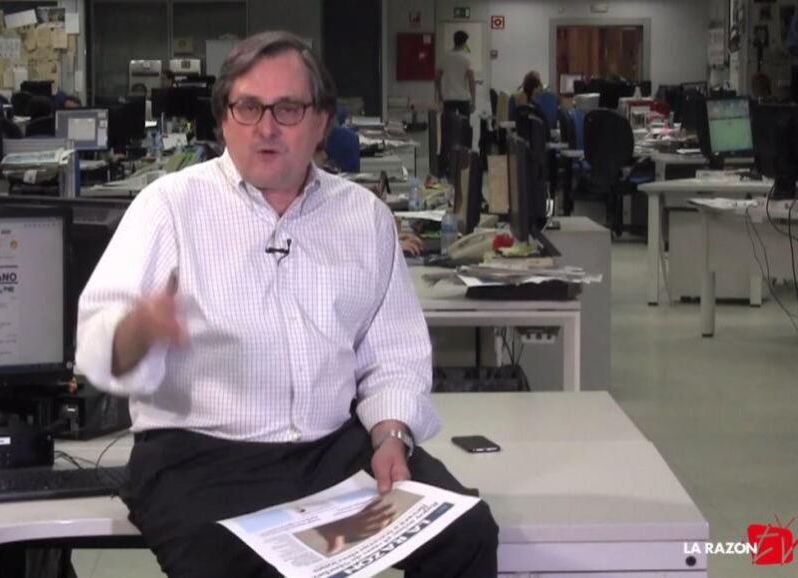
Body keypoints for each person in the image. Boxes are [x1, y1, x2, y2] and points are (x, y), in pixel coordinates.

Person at [77, 30, 498, 578]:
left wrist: (391, 434)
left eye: (288, 109)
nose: (266, 127)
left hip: (332, 450)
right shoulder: (169, 207)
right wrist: (136, 332)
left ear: (322, 122)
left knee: (467, 534)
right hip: (199, 458)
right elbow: (94, 344)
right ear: (224, 118)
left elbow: (393, 353)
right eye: (248, 107)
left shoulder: (364, 217)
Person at [436, 31, 476, 178]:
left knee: (446, 134)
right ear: (465, 43)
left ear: (454, 40)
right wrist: (473, 100)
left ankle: (442, 168)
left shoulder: (445, 56)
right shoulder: (466, 58)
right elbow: (471, 80)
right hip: (463, 100)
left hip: (449, 100)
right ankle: (463, 166)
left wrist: (440, 95)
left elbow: (437, 77)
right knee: (464, 134)